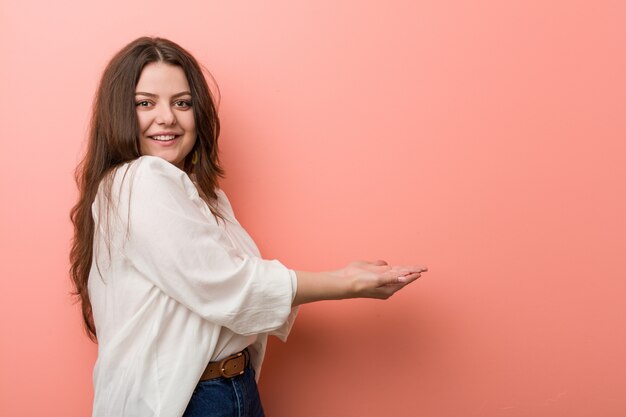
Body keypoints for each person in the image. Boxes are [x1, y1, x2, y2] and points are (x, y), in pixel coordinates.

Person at [69, 36, 427, 417]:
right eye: (145, 103)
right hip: (190, 401)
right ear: (118, 113)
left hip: (232, 388)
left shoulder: (204, 196)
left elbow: (232, 295)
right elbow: (230, 285)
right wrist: (347, 282)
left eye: (182, 102)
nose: (167, 117)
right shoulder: (141, 180)